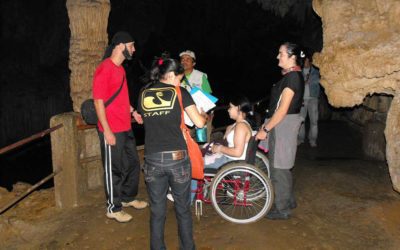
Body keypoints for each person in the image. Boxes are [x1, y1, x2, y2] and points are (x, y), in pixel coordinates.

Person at [137, 58, 207, 250]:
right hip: (177, 159)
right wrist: (204, 114)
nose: (181, 82)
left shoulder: (144, 93)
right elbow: (199, 123)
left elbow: (143, 119)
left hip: (152, 159)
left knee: (157, 211)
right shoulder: (180, 92)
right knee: (182, 209)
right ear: (172, 75)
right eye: (180, 78)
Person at [93, 31, 148, 223]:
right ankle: (113, 208)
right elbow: (98, 102)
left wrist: (133, 111)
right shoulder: (104, 68)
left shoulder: (120, 69)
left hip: (125, 126)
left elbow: (121, 97)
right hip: (111, 128)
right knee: (113, 169)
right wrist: (107, 130)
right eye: (131, 45)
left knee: (132, 163)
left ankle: (127, 198)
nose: (134, 49)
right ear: (120, 46)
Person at [256, 42, 305, 220]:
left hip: (282, 125)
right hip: (283, 124)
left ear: (292, 57)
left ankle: (281, 208)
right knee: (283, 164)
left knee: (279, 167)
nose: (278, 57)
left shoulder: (292, 77)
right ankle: (289, 200)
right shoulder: (293, 76)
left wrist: (266, 129)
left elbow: (282, 110)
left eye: (281, 53)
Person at [191, 96, 254, 202]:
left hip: (231, 162)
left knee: (193, 164)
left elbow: (237, 152)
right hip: (229, 160)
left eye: (230, 107)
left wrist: (220, 148)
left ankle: (188, 198)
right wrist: (230, 129)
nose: (228, 110)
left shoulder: (240, 127)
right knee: (198, 158)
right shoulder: (239, 125)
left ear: (238, 108)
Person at [298, 55, 321, 147]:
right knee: (301, 120)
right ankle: (300, 138)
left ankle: (313, 140)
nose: (305, 63)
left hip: (313, 99)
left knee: (314, 121)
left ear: (311, 62)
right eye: (304, 61)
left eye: (307, 61)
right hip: (302, 100)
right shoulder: (299, 72)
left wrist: (309, 80)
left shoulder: (316, 71)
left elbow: (320, 80)